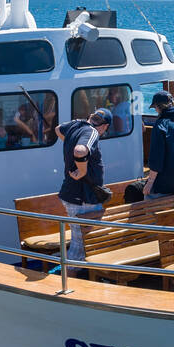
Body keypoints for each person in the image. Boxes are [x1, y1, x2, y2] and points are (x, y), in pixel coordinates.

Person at [55, 108, 113, 273]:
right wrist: (82, 170)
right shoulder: (93, 132)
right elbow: (80, 151)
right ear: (104, 127)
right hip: (83, 197)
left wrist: (69, 143)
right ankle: (67, 283)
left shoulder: (75, 124)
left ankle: (77, 275)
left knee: (78, 240)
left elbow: (58, 129)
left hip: (71, 194)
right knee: (80, 246)